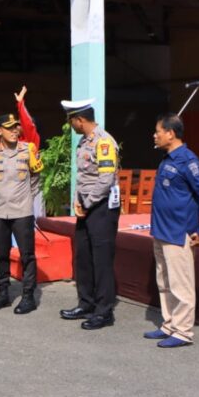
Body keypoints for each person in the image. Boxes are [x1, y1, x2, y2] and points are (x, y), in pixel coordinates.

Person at [145, 113, 199, 348]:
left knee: (180, 284)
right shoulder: (167, 159)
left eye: (158, 131)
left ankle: (183, 331)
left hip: (178, 232)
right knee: (164, 282)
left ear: (171, 133)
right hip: (161, 231)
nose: (154, 136)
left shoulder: (188, 161)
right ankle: (169, 324)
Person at [59, 99, 121, 330]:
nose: (71, 125)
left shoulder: (104, 142)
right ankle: (86, 303)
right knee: (83, 257)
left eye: (71, 121)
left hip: (101, 208)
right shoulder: (84, 142)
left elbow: (105, 179)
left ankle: (104, 312)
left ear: (80, 120)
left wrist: (86, 202)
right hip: (85, 207)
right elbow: (83, 178)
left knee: (102, 261)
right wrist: (78, 201)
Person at [0, 112, 44, 314]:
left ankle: (28, 297)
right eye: (9, 128)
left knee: (27, 255)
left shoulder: (28, 150)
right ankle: (3, 294)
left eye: (16, 127)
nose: (14, 131)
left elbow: (36, 178)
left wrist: (25, 198)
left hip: (22, 212)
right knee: (0, 254)